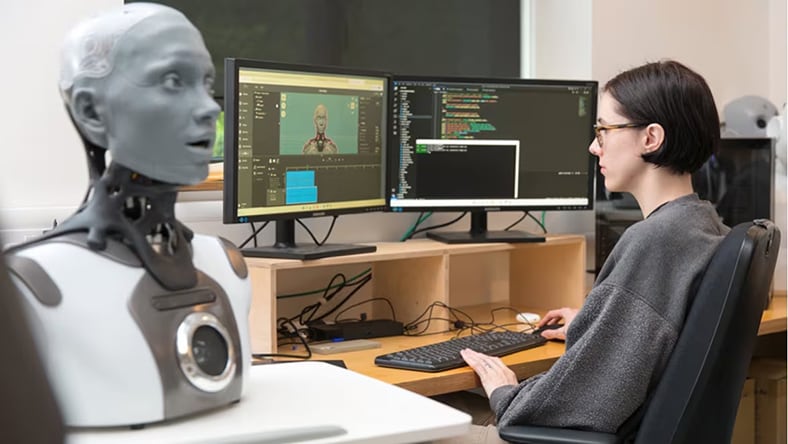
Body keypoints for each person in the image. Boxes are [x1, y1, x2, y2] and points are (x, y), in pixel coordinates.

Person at [438, 60, 730, 443]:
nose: (594, 146)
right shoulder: (705, 227)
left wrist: (504, 390)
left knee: (415, 427)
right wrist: (596, 323)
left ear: (651, 138)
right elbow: (665, 337)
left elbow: (578, 408)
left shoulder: (653, 241)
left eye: (604, 130)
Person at [4, 3, 251, 427]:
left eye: (205, 83)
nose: (210, 108)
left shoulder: (228, 266)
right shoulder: (33, 282)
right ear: (91, 111)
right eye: (173, 81)